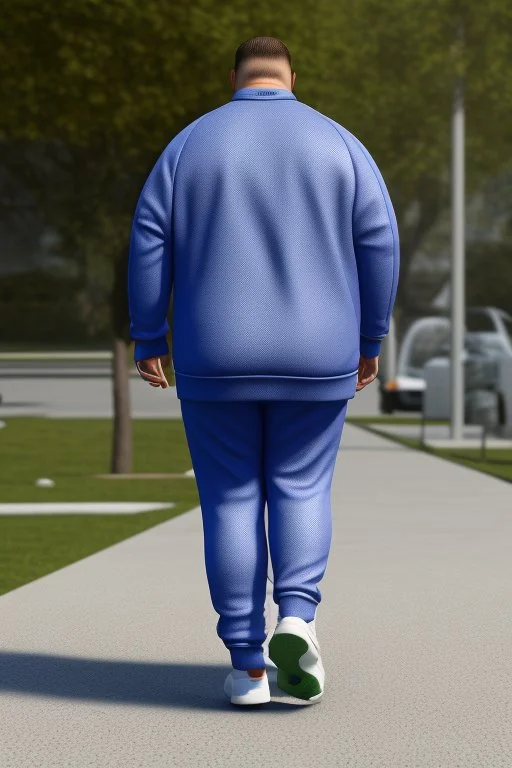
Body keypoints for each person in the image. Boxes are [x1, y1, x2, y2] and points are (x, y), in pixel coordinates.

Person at [128, 36, 399, 706]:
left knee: (231, 500)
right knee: (302, 487)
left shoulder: (189, 145)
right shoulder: (339, 143)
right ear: (291, 78)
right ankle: (298, 619)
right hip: (318, 352)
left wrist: (147, 334)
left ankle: (247, 665)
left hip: (213, 352)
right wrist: (371, 334)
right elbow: (380, 239)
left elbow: (148, 237)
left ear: (235, 79)